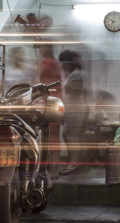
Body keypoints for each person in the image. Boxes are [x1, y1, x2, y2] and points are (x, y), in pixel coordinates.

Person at [59, 50, 89, 176]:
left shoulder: (76, 75)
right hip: (74, 108)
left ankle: (72, 164)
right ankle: (73, 163)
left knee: (71, 136)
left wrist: (65, 111)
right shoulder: (75, 74)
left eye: (62, 63)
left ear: (67, 63)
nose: (61, 66)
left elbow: (74, 93)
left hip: (74, 109)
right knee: (70, 136)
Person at [38, 44, 63, 178]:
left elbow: (37, 78)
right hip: (55, 102)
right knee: (53, 137)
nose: (40, 49)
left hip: (49, 103)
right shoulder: (55, 63)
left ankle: (51, 169)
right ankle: (53, 168)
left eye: (42, 47)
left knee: (49, 138)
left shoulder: (47, 63)